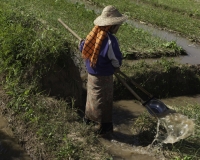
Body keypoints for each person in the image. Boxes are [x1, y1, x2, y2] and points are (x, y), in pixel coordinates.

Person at [79, 5, 127, 135]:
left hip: (92, 75)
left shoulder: (92, 35)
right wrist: (116, 67)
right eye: (117, 25)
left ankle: (89, 121)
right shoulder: (110, 40)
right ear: (112, 26)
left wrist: (81, 44)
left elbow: (83, 47)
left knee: (92, 98)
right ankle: (103, 126)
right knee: (103, 100)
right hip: (104, 77)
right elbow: (115, 59)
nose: (118, 27)